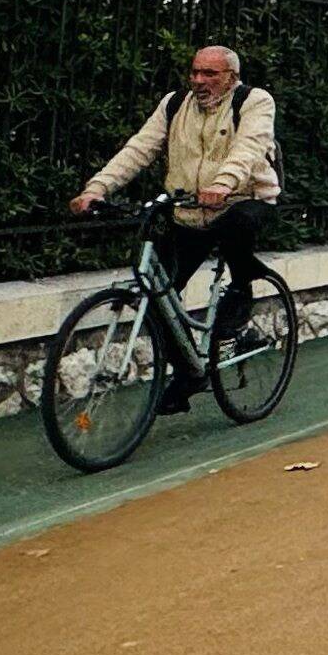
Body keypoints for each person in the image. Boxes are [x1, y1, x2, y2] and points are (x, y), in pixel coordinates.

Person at [72, 45, 280, 412]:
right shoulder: (174, 104)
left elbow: (249, 147)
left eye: (210, 74)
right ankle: (190, 372)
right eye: (195, 72)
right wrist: (97, 188)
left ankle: (237, 307)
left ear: (231, 77)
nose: (199, 80)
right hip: (189, 209)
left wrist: (223, 184)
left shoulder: (254, 100)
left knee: (238, 228)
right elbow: (140, 148)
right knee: (160, 294)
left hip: (241, 197)